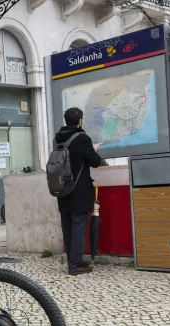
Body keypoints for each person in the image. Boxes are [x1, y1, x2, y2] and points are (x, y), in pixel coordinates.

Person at [55, 107, 102, 276]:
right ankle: (75, 265)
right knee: (78, 225)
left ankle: (72, 260)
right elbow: (95, 162)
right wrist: (93, 150)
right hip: (78, 190)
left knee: (68, 226)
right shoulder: (82, 138)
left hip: (62, 188)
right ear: (80, 121)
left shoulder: (58, 138)